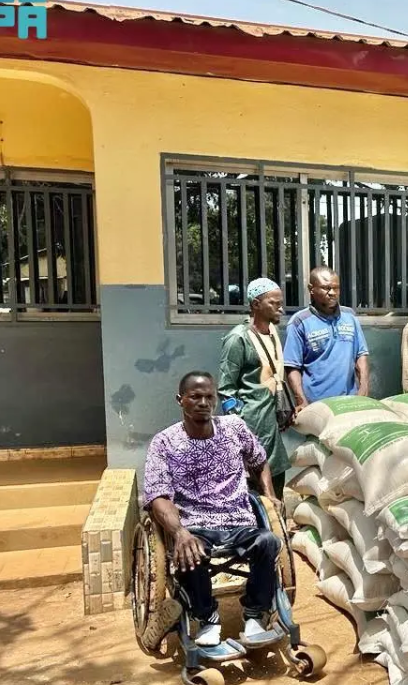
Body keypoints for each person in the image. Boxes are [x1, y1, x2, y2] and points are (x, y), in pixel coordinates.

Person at [143, 371, 280, 648]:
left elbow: (259, 460)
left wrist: (270, 496)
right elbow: (158, 496)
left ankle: (254, 617)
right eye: (195, 396)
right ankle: (207, 618)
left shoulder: (234, 428)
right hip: (195, 524)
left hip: (238, 520)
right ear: (180, 400)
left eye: (209, 397)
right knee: (189, 551)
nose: (203, 402)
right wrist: (180, 532)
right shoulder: (164, 442)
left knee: (268, 541)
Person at [218, 277, 293, 496]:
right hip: (253, 424)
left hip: (272, 423)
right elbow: (226, 388)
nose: (280, 307)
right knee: (254, 484)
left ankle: (277, 526)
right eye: (273, 303)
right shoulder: (238, 339)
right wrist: (239, 424)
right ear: (255, 305)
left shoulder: (273, 332)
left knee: (276, 477)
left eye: (281, 302)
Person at [285, 266, 370, 408]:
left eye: (336, 288)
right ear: (311, 289)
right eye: (326, 288)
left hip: (350, 402)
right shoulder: (299, 322)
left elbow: (361, 355)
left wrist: (364, 388)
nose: (332, 293)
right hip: (317, 406)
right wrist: (301, 401)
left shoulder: (349, 316)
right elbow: (292, 367)